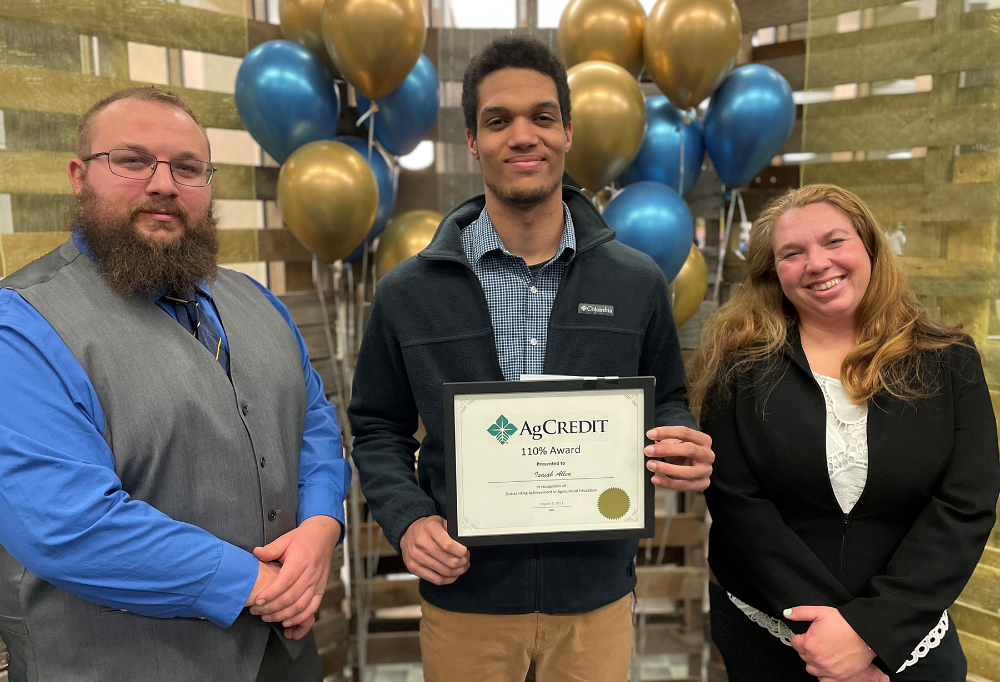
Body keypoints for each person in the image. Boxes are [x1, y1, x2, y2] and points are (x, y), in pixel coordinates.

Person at [348, 36, 714, 682]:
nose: (524, 136)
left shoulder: (635, 282)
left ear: (569, 132)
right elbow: (378, 427)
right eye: (499, 120)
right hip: (467, 601)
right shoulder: (409, 292)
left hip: (595, 602)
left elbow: (667, 400)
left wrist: (678, 441)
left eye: (542, 117)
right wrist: (406, 519)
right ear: (472, 140)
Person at [0, 87, 350, 682]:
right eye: (132, 161)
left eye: (187, 167)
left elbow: (313, 425)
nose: (164, 184)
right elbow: (68, 524)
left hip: (285, 656)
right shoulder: (21, 327)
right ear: (78, 177)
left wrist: (322, 523)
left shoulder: (257, 301)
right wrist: (257, 585)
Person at [691, 184, 999, 681]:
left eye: (834, 241)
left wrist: (872, 633)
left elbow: (966, 504)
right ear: (774, 273)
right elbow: (738, 506)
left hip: (909, 639)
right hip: (771, 635)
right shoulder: (738, 367)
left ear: (869, 247)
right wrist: (835, 642)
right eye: (793, 253)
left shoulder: (949, 360)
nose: (817, 263)